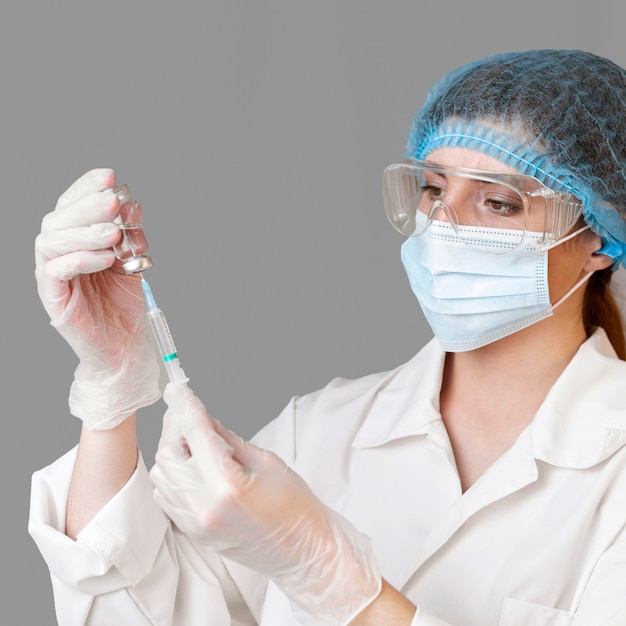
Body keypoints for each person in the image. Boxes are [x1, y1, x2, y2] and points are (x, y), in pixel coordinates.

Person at [29, 48, 626, 625]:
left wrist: (332, 577)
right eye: (434, 190)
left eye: (499, 202)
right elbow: (133, 613)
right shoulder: (319, 432)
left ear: (599, 238)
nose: (443, 226)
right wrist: (111, 387)